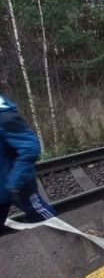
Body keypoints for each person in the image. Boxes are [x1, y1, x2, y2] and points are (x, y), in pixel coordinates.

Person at [0, 94, 56, 231]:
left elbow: (30, 147)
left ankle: (74, 245)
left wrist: (15, 181)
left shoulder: (4, 115)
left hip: (17, 185)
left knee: (52, 223)